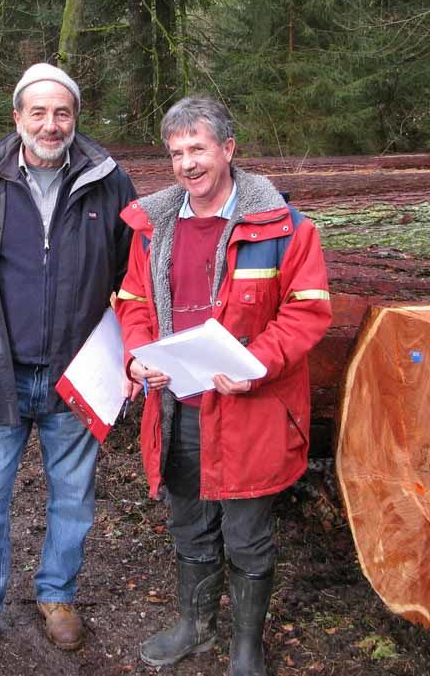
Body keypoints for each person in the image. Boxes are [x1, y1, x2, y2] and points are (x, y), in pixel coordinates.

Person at [114, 96, 331, 674]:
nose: (187, 163)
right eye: (176, 152)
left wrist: (254, 363)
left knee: (247, 535)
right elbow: (132, 301)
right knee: (189, 524)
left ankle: (245, 648)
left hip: (249, 409)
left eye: (198, 149)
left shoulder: (284, 227)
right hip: (178, 405)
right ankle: (195, 627)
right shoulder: (152, 228)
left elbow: (307, 310)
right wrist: (138, 355)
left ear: (228, 149)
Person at [0, 63, 137, 663]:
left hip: (76, 372)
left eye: (62, 113)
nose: (51, 125)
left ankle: (57, 595)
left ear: (75, 118)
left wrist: (122, 349)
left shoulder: (107, 181)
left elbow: (134, 272)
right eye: (39, 112)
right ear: (17, 117)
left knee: (72, 494)